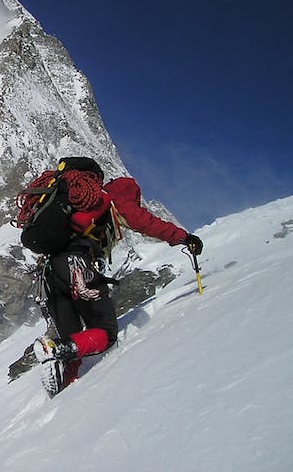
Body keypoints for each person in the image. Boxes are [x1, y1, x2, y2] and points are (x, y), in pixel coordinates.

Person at [29, 157, 203, 393]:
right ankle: (55, 349)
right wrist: (183, 238)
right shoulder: (110, 195)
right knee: (105, 332)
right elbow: (144, 222)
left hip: (48, 276)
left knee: (75, 341)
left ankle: (65, 390)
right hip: (76, 267)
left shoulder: (65, 200)